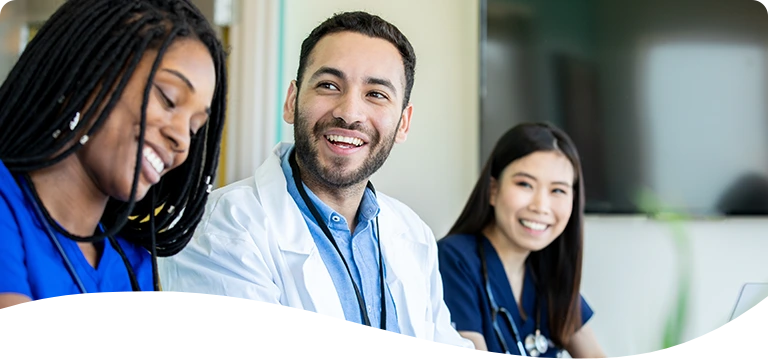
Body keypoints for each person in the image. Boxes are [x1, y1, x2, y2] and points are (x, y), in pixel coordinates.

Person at [158, 11, 474, 351]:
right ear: (292, 101)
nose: (349, 113)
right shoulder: (219, 228)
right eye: (329, 85)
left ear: (403, 122)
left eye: (376, 94)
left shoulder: (414, 235)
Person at [0, 0, 228, 308]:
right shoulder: (7, 207)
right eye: (168, 98)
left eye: (194, 127)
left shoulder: (133, 266)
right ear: (89, 73)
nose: (180, 139)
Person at [437, 123, 607, 359]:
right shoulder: (454, 260)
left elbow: (595, 356)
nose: (540, 206)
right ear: (493, 190)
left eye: (558, 190)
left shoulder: (547, 270)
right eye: (525, 184)